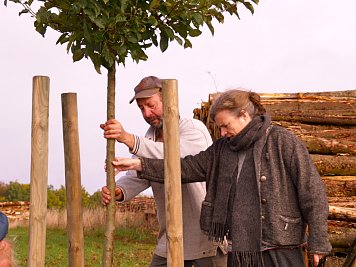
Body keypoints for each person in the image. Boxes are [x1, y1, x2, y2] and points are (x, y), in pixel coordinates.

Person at [109, 89, 332, 267]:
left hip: (282, 248)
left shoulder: (282, 142)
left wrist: (319, 242)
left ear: (244, 115)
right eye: (219, 127)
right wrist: (140, 164)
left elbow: (312, 192)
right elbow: (186, 167)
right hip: (240, 251)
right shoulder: (222, 149)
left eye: (225, 125)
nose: (222, 132)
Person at [100, 76, 227, 267]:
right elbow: (139, 174)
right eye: (141, 108)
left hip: (204, 235)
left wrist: (129, 139)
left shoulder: (193, 129)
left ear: (167, 101)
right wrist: (119, 191)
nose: (147, 113)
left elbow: (174, 160)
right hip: (169, 237)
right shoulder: (150, 137)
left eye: (151, 105)